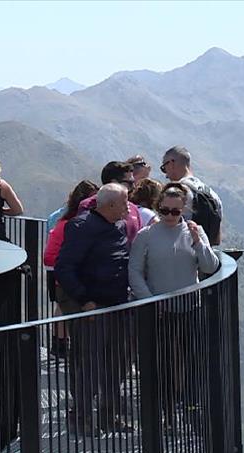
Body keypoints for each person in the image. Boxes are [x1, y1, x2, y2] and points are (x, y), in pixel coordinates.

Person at [128, 182, 219, 431]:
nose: (170, 216)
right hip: (160, 310)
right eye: (165, 210)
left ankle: (190, 408)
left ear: (184, 210)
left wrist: (199, 241)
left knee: (192, 361)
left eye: (175, 211)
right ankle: (167, 414)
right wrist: (149, 300)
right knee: (165, 364)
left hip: (190, 307)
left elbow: (210, 266)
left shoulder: (194, 232)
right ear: (158, 208)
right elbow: (135, 270)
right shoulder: (146, 235)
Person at [55, 183, 132, 435]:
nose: (127, 207)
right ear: (109, 205)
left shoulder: (118, 226)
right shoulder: (82, 226)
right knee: (88, 365)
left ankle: (110, 416)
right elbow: (65, 267)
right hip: (93, 310)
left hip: (117, 306)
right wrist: (84, 299)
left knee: (114, 365)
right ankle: (82, 418)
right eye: (124, 202)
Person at [43, 180, 99, 358]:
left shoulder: (58, 218)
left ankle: (60, 345)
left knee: (62, 306)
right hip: (69, 274)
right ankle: (69, 348)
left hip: (58, 272)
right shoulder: (73, 224)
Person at [160, 146, 223, 245]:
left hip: (183, 253)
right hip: (206, 254)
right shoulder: (212, 194)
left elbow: (167, 228)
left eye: (164, 168)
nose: (166, 175)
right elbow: (216, 239)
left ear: (171, 164)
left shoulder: (177, 191)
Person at [77, 161, 143, 245]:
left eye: (134, 183)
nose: (133, 187)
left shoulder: (134, 209)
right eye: (129, 183)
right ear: (114, 183)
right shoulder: (89, 205)